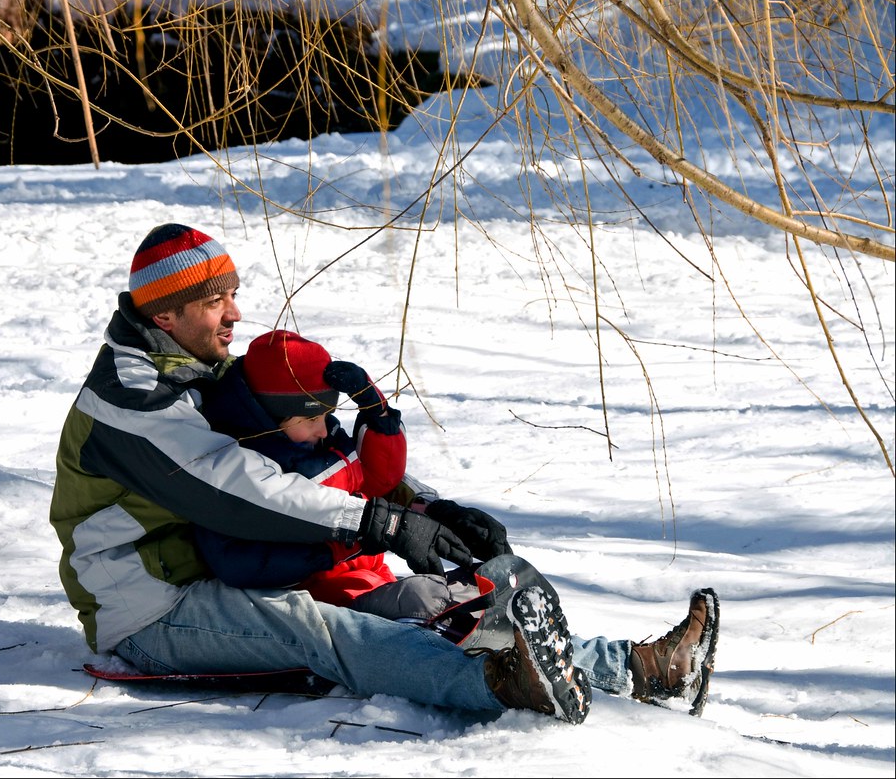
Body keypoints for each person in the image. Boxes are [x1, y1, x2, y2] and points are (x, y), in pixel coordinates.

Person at [49, 222, 720, 726]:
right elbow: (235, 491)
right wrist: (379, 524)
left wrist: (423, 505)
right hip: (150, 611)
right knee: (321, 630)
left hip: (236, 567)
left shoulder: (207, 367)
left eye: (234, 294)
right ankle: (499, 687)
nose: (236, 314)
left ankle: (646, 668)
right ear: (165, 315)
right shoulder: (131, 401)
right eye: (216, 301)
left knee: (422, 604)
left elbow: (323, 451)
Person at [194, 327, 481, 623]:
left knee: (447, 593)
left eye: (326, 414)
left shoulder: (318, 436)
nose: (322, 427)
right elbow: (236, 560)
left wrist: (377, 414)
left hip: (367, 574)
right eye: (310, 418)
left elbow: (378, 480)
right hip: (312, 598)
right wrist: (343, 544)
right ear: (270, 416)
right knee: (425, 599)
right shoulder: (242, 465)